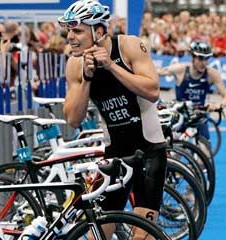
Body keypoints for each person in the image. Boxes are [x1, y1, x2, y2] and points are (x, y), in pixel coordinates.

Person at [60, 0, 167, 237]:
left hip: (149, 152)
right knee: (97, 234)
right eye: (68, 30)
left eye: (77, 30)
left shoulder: (128, 45)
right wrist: (87, 78)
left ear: (98, 31)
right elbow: (73, 119)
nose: (70, 36)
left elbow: (152, 91)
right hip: (115, 157)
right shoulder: (74, 64)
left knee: (143, 235)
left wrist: (110, 66)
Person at [158, 40, 226, 139]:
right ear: (192, 57)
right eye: (200, 58)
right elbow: (157, 72)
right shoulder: (180, 69)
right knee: (175, 149)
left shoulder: (212, 74)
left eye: (206, 59)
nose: (204, 62)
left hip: (199, 115)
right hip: (180, 114)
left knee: (205, 151)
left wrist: (218, 105)